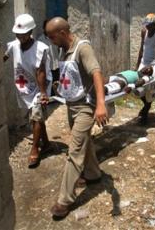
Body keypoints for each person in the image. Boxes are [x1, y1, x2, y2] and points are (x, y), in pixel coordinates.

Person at [45, 17, 108, 218]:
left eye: (52, 37)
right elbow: (70, 78)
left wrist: (100, 104)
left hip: (86, 107)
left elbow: (96, 73)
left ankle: (64, 201)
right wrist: (56, 92)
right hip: (72, 105)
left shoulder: (83, 48)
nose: (51, 41)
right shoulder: (64, 50)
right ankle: (93, 174)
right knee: (84, 143)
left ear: (63, 33)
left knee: (75, 149)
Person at [3, 14, 53, 168]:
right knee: (36, 115)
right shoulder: (13, 45)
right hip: (24, 86)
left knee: (36, 116)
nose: (20, 36)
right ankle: (46, 144)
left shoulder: (40, 49)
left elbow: (41, 72)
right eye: (17, 34)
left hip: (41, 85)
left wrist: (43, 93)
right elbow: (2, 57)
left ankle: (34, 149)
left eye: (23, 33)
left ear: (31, 31)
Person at [135, 13, 155, 124]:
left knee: (150, 89)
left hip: (154, 65)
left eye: (149, 25)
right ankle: (145, 106)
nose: (147, 27)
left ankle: (145, 112)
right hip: (144, 64)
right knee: (139, 88)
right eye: (146, 25)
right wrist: (137, 66)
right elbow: (141, 49)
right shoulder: (144, 32)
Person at [38, 19, 61, 96]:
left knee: (57, 84)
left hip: (57, 65)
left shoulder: (56, 37)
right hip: (48, 67)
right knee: (49, 86)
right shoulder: (40, 40)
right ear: (44, 28)